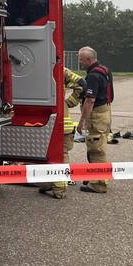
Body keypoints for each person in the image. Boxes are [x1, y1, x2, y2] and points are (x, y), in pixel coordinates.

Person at [39, 67, 86, 199]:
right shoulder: (61, 70)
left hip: (41, 121)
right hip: (61, 121)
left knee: (43, 154)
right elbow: (81, 84)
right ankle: (56, 188)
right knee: (61, 155)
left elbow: (82, 84)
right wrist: (69, 103)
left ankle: (53, 186)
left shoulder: (34, 68)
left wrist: (69, 102)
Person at [76, 46, 113, 193]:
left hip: (96, 113)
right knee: (98, 145)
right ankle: (94, 175)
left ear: (89, 59)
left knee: (96, 148)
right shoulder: (105, 69)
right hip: (105, 110)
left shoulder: (93, 75)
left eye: (81, 59)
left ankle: (98, 183)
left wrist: (82, 120)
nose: (80, 62)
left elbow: (90, 100)